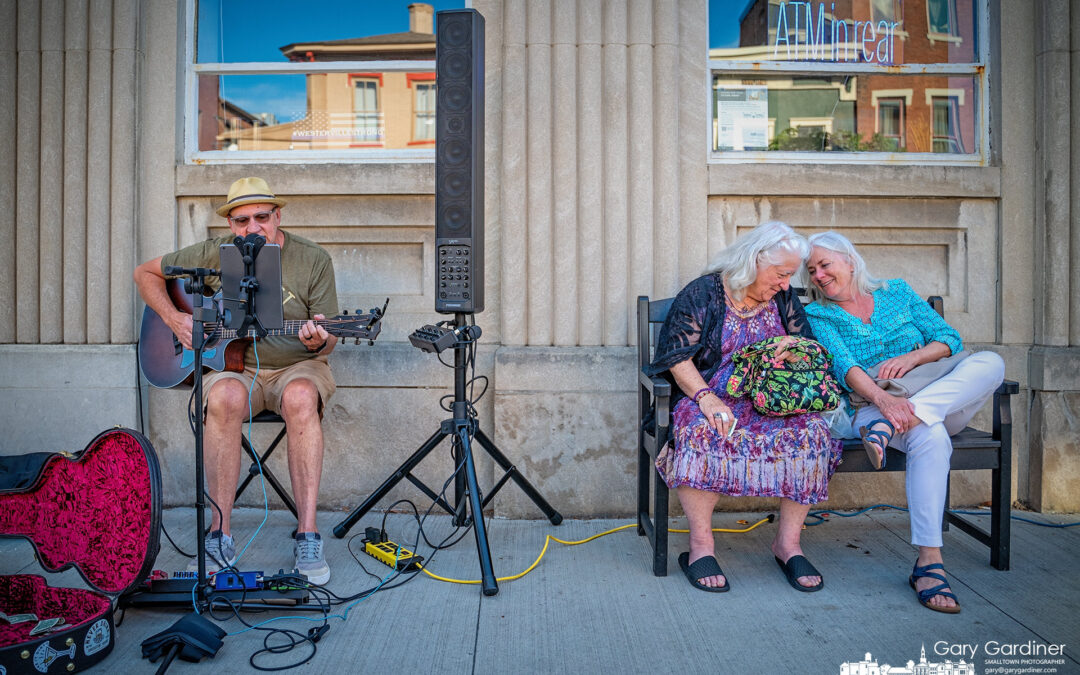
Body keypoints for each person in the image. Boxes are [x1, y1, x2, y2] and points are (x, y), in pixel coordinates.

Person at [134, 177, 339, 585]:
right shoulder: (213, 254)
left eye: (262, 217)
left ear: (277, 216)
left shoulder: (312, 258)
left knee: (301, 397)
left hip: (296, 367)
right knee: (224, 396)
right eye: (242, 220)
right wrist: (176, 319)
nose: (253, 227)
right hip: (235, 368)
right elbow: (145, 274)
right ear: (231, 224)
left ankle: (308, 535)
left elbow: (329, 340)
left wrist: (321, 336)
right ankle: (219, 534)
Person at [803, 231, 1005, 614]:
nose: (818, 276)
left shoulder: (896, 291)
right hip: (873, 407)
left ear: (849, 259)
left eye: (824, 265)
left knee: (991, 363)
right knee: (930, 438)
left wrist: (911, 361)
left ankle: (903, 422)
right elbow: (844, 366)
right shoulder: (818, 314)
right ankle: (929, 563)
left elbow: (948, 339)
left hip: (933, 396)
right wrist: (884, 400)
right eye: (811, 271)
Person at [645, 221, 842, 593]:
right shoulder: (704, 292)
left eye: (789, 276)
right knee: (704, 432)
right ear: (753, 262)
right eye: (781, 274)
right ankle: (701, 547)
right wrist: (706, 398)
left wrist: (792, 351)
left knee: (813, 433)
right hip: (710, 391)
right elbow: (676, 357)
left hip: (771, 397)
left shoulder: (781, 297)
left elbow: (807, 345)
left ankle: (788, 545)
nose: (787, 284)